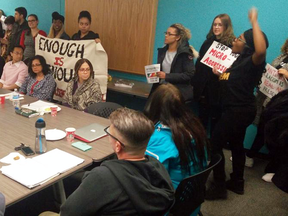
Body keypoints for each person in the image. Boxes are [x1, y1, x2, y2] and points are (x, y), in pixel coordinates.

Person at [41, 108, 175, 216]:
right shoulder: (158, 167)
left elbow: (67, 212)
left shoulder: (103, 178)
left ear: (118, 146)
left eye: (109, 133)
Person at [205, 8, 269, 199]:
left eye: (239, 39)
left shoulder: (253, 61)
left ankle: (218, 187)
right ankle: (237, 182)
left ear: (247, 45)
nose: (235, 40)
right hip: (234, 109)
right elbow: (230, 79)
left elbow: (261, 49)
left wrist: (254, 21)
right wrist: (219, 74)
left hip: (239, 111)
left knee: (214, 144)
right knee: (236, 145)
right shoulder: (238, 61)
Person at [144, 83, 207, 216]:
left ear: (154, 106)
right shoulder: (194, 126)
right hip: (192, 202)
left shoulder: (160, 140)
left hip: (170, 206)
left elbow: (151, 181)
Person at [232, 38, 288, 168]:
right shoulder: (282, 57)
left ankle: (254, 158)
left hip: (282, 105)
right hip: (268, 99)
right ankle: (249, 156)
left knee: (270, 131)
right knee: (261, 127)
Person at [192, 14, 235, 134]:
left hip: (219, 89)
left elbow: (234, 69)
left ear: (226, 27)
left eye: (220, 25)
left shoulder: (232, 44)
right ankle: (201, 145)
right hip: (204, 88)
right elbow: (199, 65)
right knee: (202, 118)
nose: (216, 27)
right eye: (214, 24)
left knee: (217, 120)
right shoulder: (208, 42)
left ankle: (215, 149)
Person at [149, 23, 195, 102]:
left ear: (177, 37)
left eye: (169, 34)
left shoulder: (185, 53)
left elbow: (189, 74)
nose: (166, 36)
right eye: (166, 33)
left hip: (176, 92)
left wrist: (166, 76)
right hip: (161, 89)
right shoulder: (162, 51)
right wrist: (153, 73)